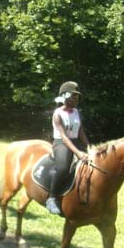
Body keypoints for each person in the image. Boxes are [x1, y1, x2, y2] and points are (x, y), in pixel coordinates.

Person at [46, 81, 90, 215]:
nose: (76, 99)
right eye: (73, 96)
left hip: (76, 141)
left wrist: (89, 146)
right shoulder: (57, 114)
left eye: (77, 97)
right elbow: (64, 137)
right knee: (64, 167)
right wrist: (78, 153)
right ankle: (52, 198)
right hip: (61, 143)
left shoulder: (77, 112)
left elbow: (80, 131)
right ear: (64, 97)